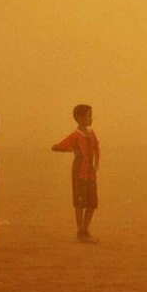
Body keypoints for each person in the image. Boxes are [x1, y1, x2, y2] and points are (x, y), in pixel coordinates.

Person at [52, 104, 100, 243]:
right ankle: (80, 230)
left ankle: (85, 229)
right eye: (88, 115)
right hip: (79, 171)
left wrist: (96, 165)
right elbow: (56, 147)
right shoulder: (75, 135)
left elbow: (97, 150)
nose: (91, 118)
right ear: (79, 118)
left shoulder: (92, 134)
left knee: (92, 202)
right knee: (80, 202)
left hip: (90, 172)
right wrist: (72, 150)